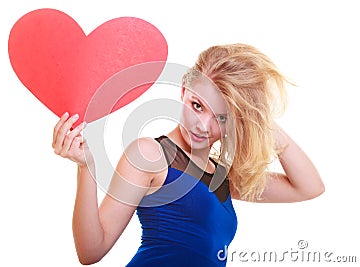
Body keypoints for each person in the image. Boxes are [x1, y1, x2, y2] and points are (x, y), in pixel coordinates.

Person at [52, 44, 325, 266]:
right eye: (197, 105)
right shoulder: (150, 155)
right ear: (184, 92)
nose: (202, 126)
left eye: (220, 117)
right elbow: (91, 251)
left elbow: (309, 188)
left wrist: (260, 119)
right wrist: (86, 167)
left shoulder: (223, 177)